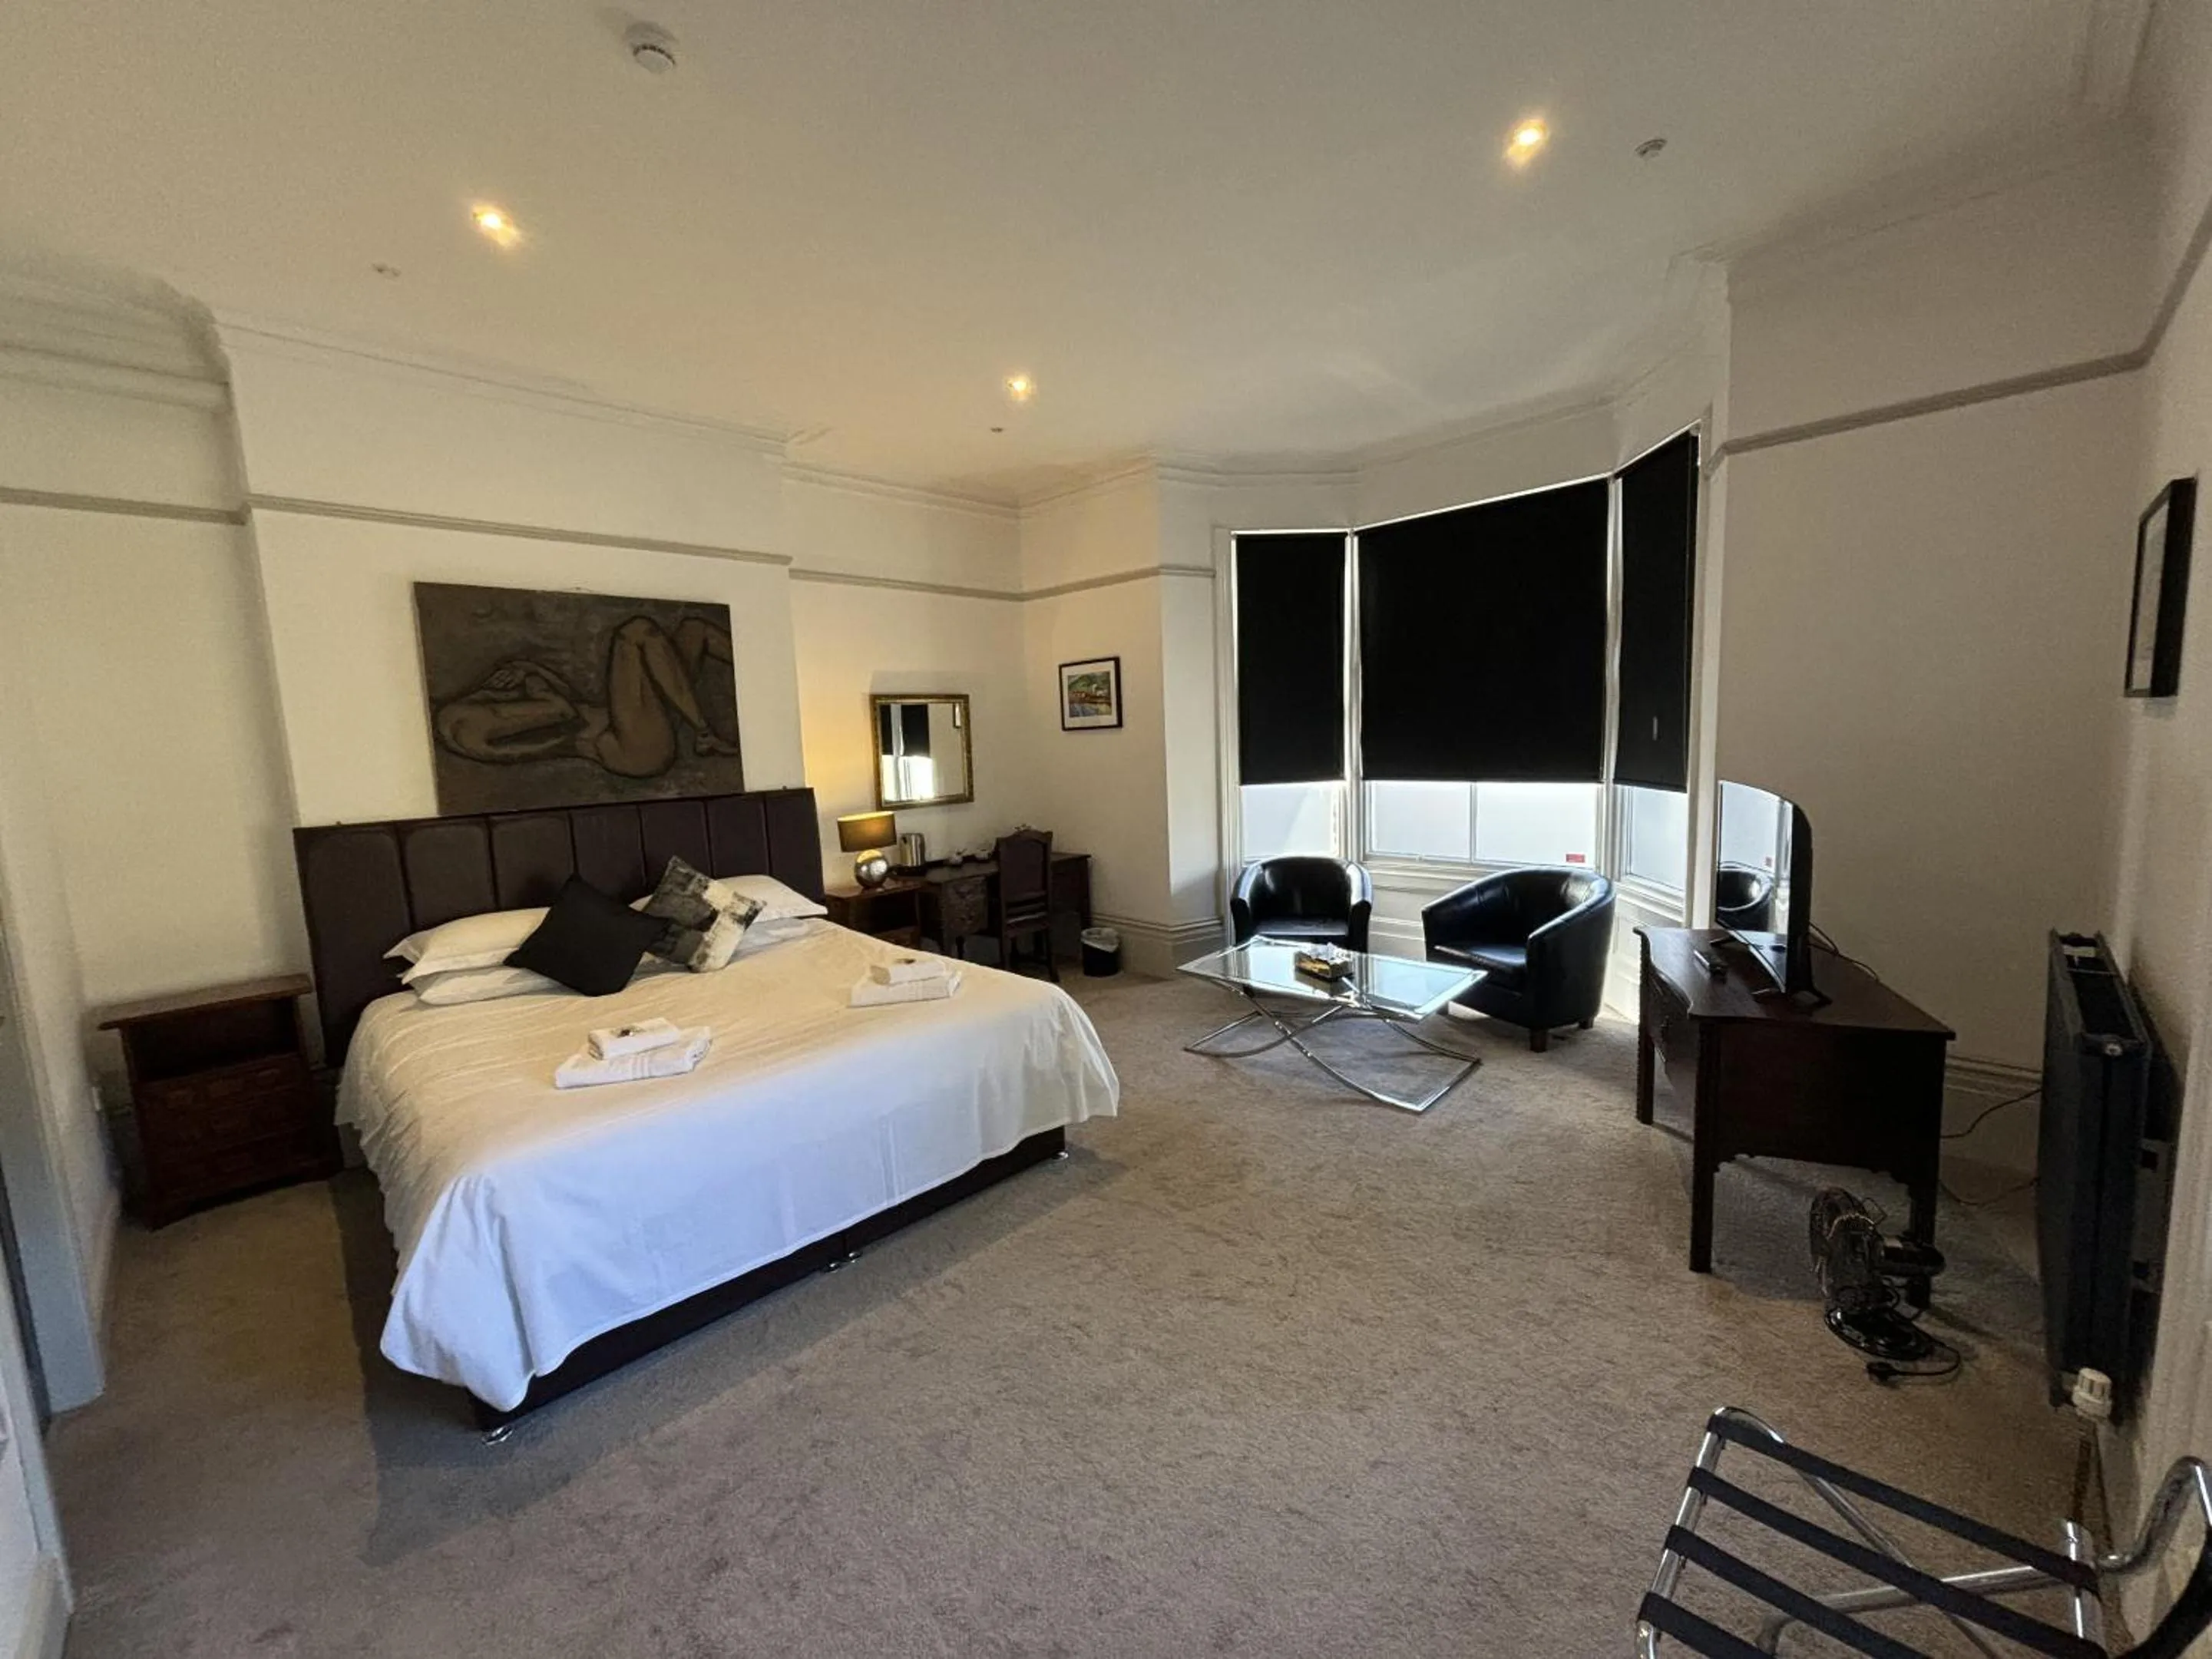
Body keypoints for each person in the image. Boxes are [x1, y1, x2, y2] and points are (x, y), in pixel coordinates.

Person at [432, 615, 738, 778]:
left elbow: (570, 702)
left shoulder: (462, 713)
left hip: (633, 723)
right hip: (625, 746)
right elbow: (562, 711)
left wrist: (529, 669)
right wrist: (532, 679)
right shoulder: (463, 723)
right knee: (635, 633)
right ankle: (704, 731)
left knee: (695, 630)